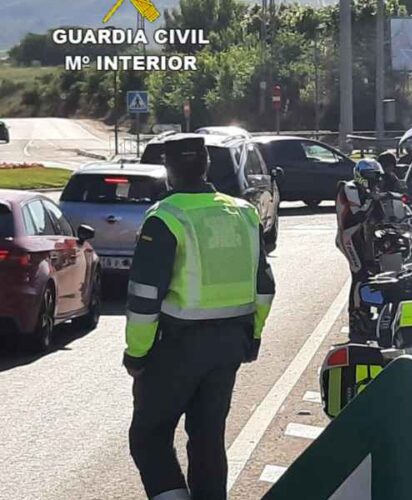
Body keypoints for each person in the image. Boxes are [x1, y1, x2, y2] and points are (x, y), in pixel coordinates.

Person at [124, 136, 275, 500]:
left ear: (169, 169)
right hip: (229, 346)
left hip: (176, 347)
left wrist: (137, 353)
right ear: (206, 165)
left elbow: (145, 297)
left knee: (148, 436)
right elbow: (265, 286)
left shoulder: (165, 217)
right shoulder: (243, 212)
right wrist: (253, 337)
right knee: (208, 439)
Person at [336, 159, 386, 340]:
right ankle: (357, 318)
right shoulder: (350, 188)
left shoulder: (368, 191)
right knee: (360, 274)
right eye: (372, 177)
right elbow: (359, 215)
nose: (375, 181)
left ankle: (367, 311)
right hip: (349, 236)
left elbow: (379, 216)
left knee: (372, 272)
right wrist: (372, 200)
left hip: (363, 236)